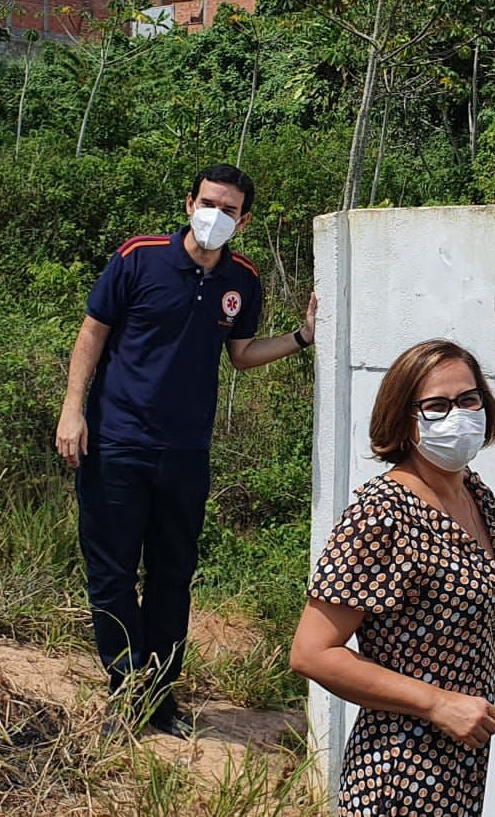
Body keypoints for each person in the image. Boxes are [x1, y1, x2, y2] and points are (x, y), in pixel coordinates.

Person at [54, 163, 318, 738]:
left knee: (173, 574)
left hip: (185, 452)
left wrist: (302, 337)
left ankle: (160, 696)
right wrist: (73, 410)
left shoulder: (243, 280)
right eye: (208, 202)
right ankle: (125, 689)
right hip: (115, 442)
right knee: (113, 573)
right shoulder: (138, 257)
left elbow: (242, 353)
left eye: (228, 210)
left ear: (243, 221)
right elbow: (92, 332)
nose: (215, 216)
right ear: (188, 203)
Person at [291, 339, 495, 816]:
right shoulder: (382, 513)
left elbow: (485, 623)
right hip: (398, 768)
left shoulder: (474, 497)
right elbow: (312, 653)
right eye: (436, 406)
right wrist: (436, 704)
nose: (459, 415)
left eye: (469, 399)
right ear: (404, 420)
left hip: (463, 762)